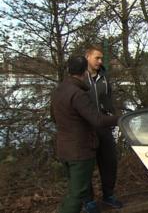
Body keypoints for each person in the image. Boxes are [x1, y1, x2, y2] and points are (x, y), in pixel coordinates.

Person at [51, 56, 120, 213]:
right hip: (79, 151)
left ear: (69, 70)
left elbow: (53, 117)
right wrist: (120, 119)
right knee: (78, 195)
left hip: (64, 149)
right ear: (84, 71)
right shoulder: (78, 94)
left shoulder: (59, 90)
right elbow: (97, 120)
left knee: (73, 191)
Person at [85, 45, 122, 208]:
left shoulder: (104, 77)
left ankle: (108, 195)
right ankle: (89, 201)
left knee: (109, 162)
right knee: (86, 165)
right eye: (97, 58)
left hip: (104, 125)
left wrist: (112, 116)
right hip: (86, 128)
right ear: (88, 57)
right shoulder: (79, 77)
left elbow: (108, 99)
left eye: (101, 58)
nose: (100, 61)